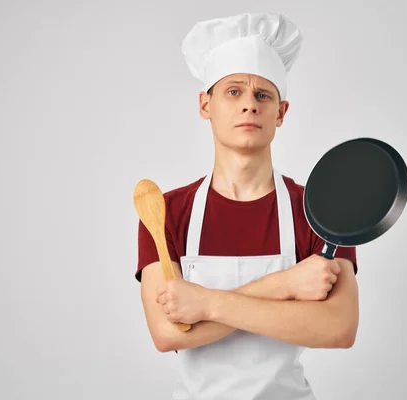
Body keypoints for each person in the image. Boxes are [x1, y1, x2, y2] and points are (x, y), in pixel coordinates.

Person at [135, 12, 359, 400]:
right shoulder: (165, 213)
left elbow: (339, 329)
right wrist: (286, 284)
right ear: (206, 105)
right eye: (233, 91)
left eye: (263, 95)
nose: (249, 106)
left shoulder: (321, 209)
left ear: (281, 112)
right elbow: (167, 333)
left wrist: (204, 304)